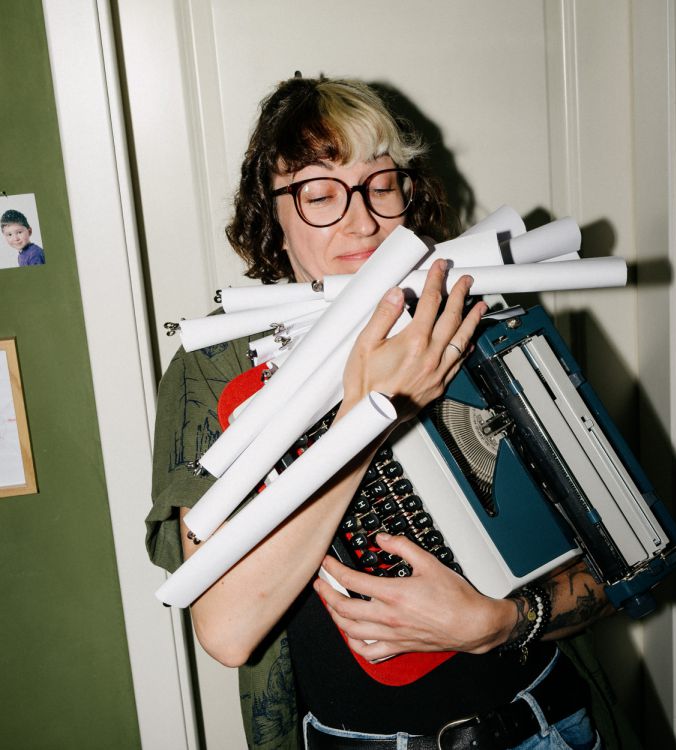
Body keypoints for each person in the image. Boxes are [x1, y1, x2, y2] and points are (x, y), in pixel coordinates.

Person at [147, 75, 628, 750]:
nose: (362, 220)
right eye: (320, 194)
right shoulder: (218, 369)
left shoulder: (477, 321)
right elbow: (227, 632)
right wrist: (368, 417)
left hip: (549, 726)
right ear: (271, 212)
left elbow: (625, 563)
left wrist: (498, 623)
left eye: (381, 184)